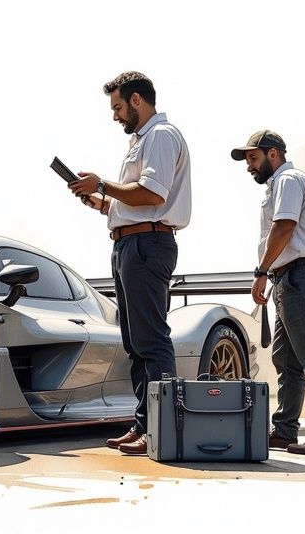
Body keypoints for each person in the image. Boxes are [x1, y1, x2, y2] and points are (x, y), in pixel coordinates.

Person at [68, 71, 192, 455]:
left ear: (137, 100)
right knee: (135, 342)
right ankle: (145, 424)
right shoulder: (145, 139)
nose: (115, 116)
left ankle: (160, 427)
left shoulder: (160, 135)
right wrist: (101, 203)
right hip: (131, 243)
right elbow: (134, 200)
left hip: (147, 245)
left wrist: (102, 185)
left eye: (118, 107)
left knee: (151, 339)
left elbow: (151, 194)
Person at [232, 130, 305, 455]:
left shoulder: (288, 180)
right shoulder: (288, 182)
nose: (249, 166)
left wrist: (261, 272)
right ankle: (284, 431)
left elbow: (284, 226)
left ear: (273, 155)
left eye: (253, 158)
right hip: (298, 277)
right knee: (287, 359)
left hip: (301, 277)